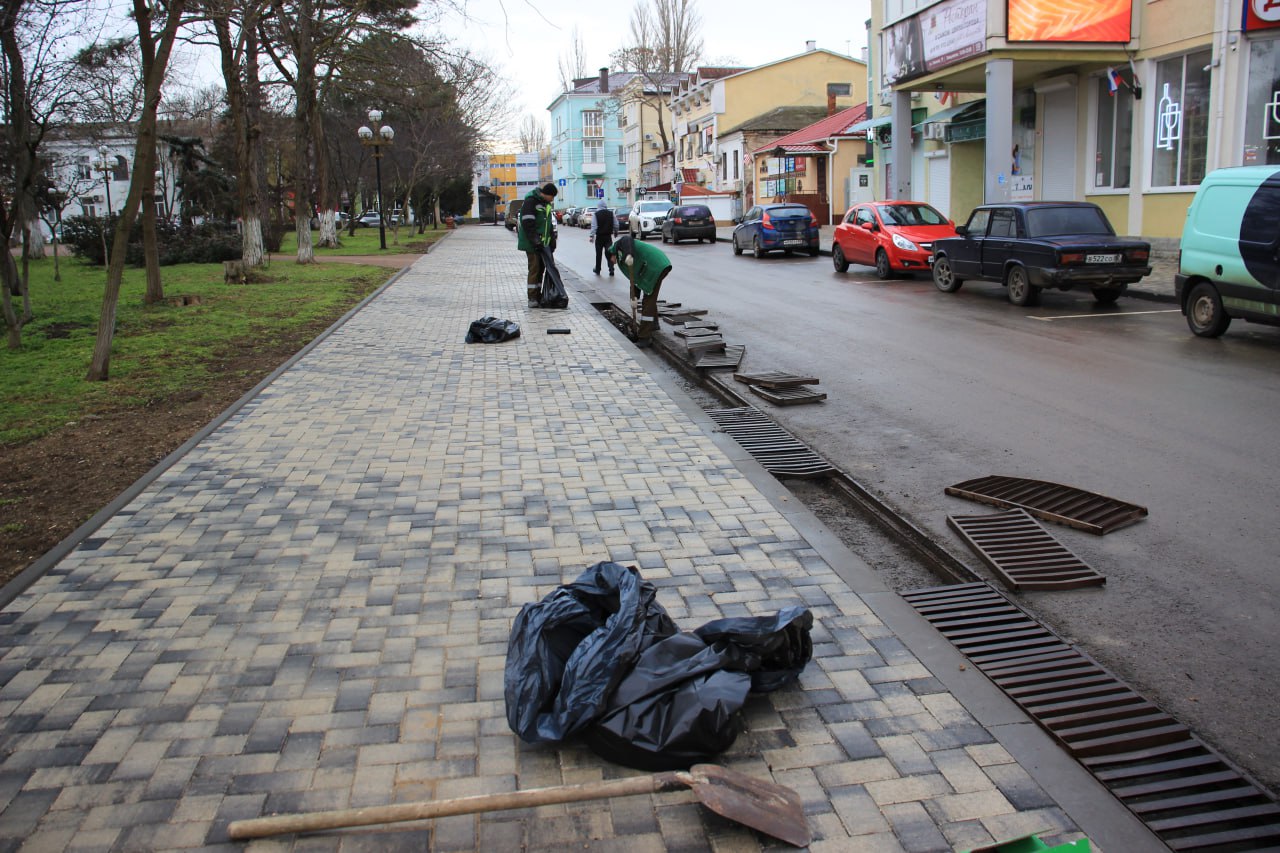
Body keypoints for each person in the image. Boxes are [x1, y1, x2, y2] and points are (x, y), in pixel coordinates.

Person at [606, 234, 672, 345]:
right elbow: (635, 279)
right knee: (649, 297)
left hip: (656, 266)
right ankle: (654, 324)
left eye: (611, 260)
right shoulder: (622, 259)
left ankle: (644, 337)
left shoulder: (620, 245)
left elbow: (627, 239)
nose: (613, 262)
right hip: (652, 267)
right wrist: (634, 297)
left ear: (611, 255)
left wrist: (629, 255)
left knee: (648, 301)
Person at [517, 182, 559, 304]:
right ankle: (532, 297)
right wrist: (535, 240)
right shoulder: (531, 202)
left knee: (541, 269)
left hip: (542, 243)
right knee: (534, 269)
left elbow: (548, 225)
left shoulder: (545, 204)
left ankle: (539, 295)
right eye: (552, 197)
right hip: (532, 244)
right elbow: (528, 223)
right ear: (547, 194)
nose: (552, 199)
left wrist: (552, 241)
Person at [588, 198, 616, 276]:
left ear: (598, 206)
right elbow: (616, 224)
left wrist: (591, 236)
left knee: (598, 254)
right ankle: (611, 269)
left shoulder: (596, 214)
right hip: (608, 237)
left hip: (599, 237)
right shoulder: (611, 213)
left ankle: (597, 269)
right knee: (609, 252)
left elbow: (594, 226)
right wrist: (616, 231)